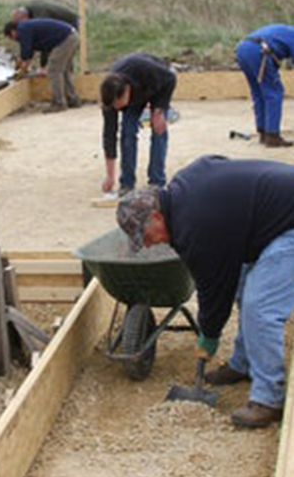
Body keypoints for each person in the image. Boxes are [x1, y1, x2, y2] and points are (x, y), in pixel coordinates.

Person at [116, 155, 294, 428]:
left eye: (147, 236)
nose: (150, 245)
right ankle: (243, 363)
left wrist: (208, 336)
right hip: (272, 218)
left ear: (156, 215)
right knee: (246, 286)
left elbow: (214, 290)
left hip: (288, 226)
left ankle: (269, 399)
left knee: (261, 307)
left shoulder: (193, 226)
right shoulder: (182, 190)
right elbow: (214, 161)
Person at [100, 53, 177, 196]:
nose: (117, 109)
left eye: (119, 105)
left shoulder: (146, 69)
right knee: (127, 132)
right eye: (114, 107)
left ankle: (157, 182)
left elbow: (170, 78)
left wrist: (159, 109)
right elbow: (109, 136)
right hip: (135, 97)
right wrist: (110, 176)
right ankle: (127, 183)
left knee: (159, 131)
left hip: (156, 89)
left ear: (127, 90)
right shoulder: (110, 99)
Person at [3, 18, 81, 112]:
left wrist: (20, 74)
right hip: (71, 36)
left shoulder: (23, 30)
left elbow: (27, 57)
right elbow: (30, 53)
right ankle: (73, 99)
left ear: (13, 31)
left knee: (53, 71)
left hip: (65, 39)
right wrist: (21, 64)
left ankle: (59, 103)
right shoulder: (26, 28)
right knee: (64, 71)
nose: (13, 39)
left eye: (11, 37)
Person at [236, 24, 294, 147]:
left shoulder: (286, 30)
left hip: (243, 49)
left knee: (259, 92)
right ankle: (272, 136)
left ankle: (263, 133)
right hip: (259, 52)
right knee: (274, 93)